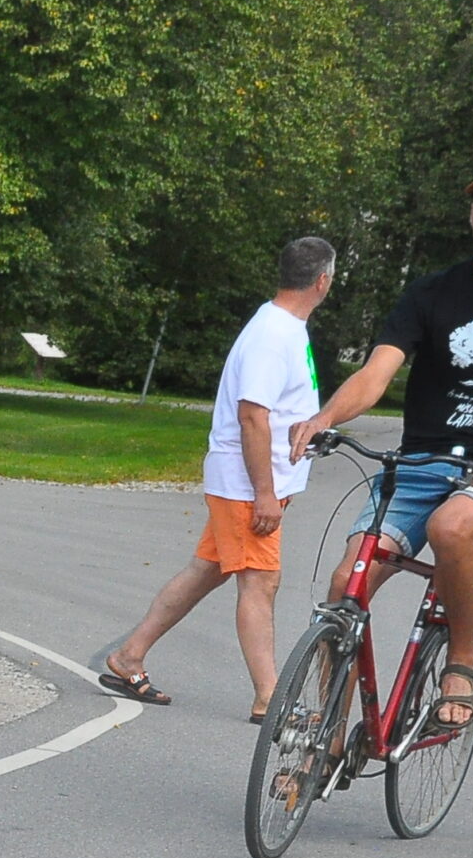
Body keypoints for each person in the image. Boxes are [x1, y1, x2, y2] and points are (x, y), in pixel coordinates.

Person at [290, 154, 473, 731]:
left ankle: (461, 660)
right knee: (347, 582)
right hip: (423, 461)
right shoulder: (433, 292)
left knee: (451, 527)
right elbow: (375, 374)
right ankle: (326, 739)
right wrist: (324, 417)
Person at [101, 237, 334, 718]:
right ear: (322, 281)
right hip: (247, 485)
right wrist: (265, 492)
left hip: (253, 483)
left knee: (206, 570)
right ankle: (269, 697)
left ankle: (129, 656)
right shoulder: (273, 334)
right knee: (261, 583)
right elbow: (252, 416)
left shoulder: (285, 327)